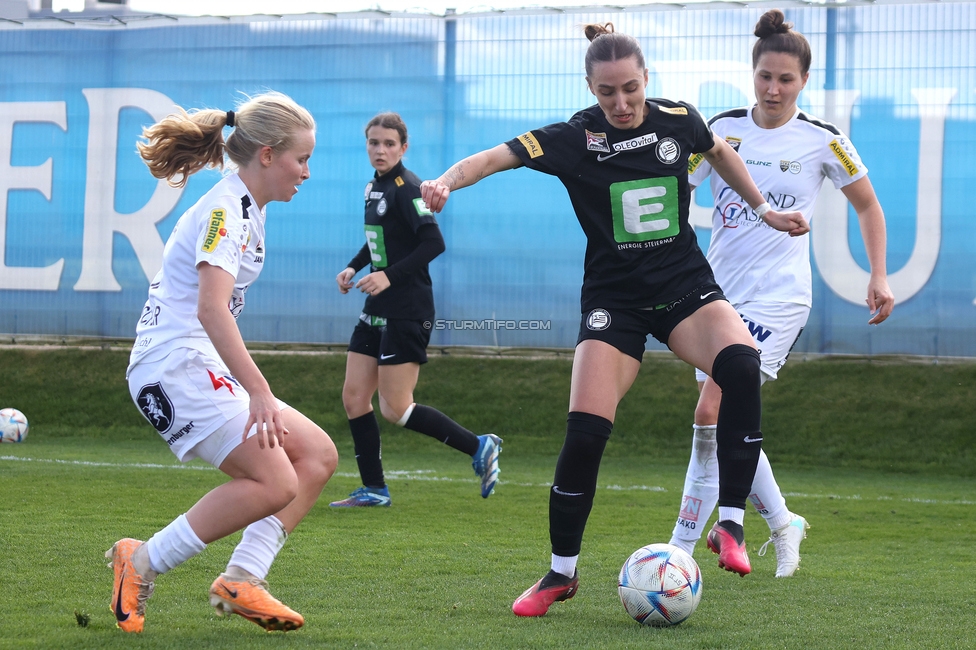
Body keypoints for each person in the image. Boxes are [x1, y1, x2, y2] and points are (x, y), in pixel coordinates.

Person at [420, 23, 810, 617]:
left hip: (685, 287)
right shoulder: (574, 137)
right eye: (608, 93)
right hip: (615, 300)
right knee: (585, 432)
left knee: (740, 365)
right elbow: (493, 158)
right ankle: (560, 574)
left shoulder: (678, 118)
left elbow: (720, 152)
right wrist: (446, 182)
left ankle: (729, 524)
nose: (622, 104)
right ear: (590, 88)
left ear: (646, 80)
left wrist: (763, 210)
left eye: (631, 88)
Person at [669, 8, 895, 577]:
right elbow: (676, 191)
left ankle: (680, 550)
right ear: (753, 74)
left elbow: (867, 204)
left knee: (712, 406)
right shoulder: (720, 130)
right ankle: (782, 520)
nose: (773, 88)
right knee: (724, 414)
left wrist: (878, 275)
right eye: (765, 76)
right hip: (716, 295)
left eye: (786, 79)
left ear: (804, 82)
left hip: (780, 298)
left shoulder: (824, 141)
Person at [109, 91, 338, 634]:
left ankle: (243, 580)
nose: (306, 172)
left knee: (317, 456)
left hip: (192, 359)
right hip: (173, 366)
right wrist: (258, 389)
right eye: (301, 158)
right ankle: (138, 563)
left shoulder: (246, 208)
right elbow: (212, 310)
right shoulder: (224, 209)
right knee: (276, 480)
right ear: (265, 154)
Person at [330, 112, 501, 508]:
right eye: (374, 142)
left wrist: (387, 276)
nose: (381, 149)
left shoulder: (409, 188)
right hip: (376, 307)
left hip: (407, 309)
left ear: (403, 148)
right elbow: (380, 240)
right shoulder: (373, 187)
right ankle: (374, 489)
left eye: (389, 143)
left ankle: (479, 445)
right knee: (355, 398)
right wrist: (355, 266)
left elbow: (432, 244)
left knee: (395, 407)